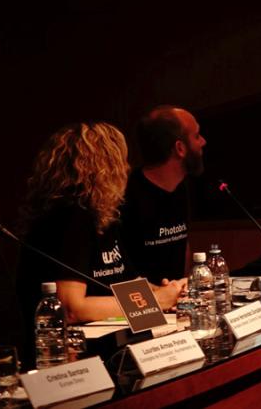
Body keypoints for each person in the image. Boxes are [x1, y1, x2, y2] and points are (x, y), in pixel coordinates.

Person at [16, 122, 183, 366]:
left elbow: (127, 282)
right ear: (106, 168)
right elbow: (71, 307)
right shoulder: (71, 217)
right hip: (65, 360)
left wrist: (167, 290)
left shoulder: (103, 216)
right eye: (121, 161)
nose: (127, 168)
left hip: (106, 348)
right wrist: (157, 302)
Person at [120, 105, 206, 285]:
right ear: (180, 148)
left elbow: (183, 244)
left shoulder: (181, 185)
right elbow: (120, 270)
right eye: (197, 136)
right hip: (142, 304)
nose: (203, 142)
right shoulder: (125, 195)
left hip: (176, 303)